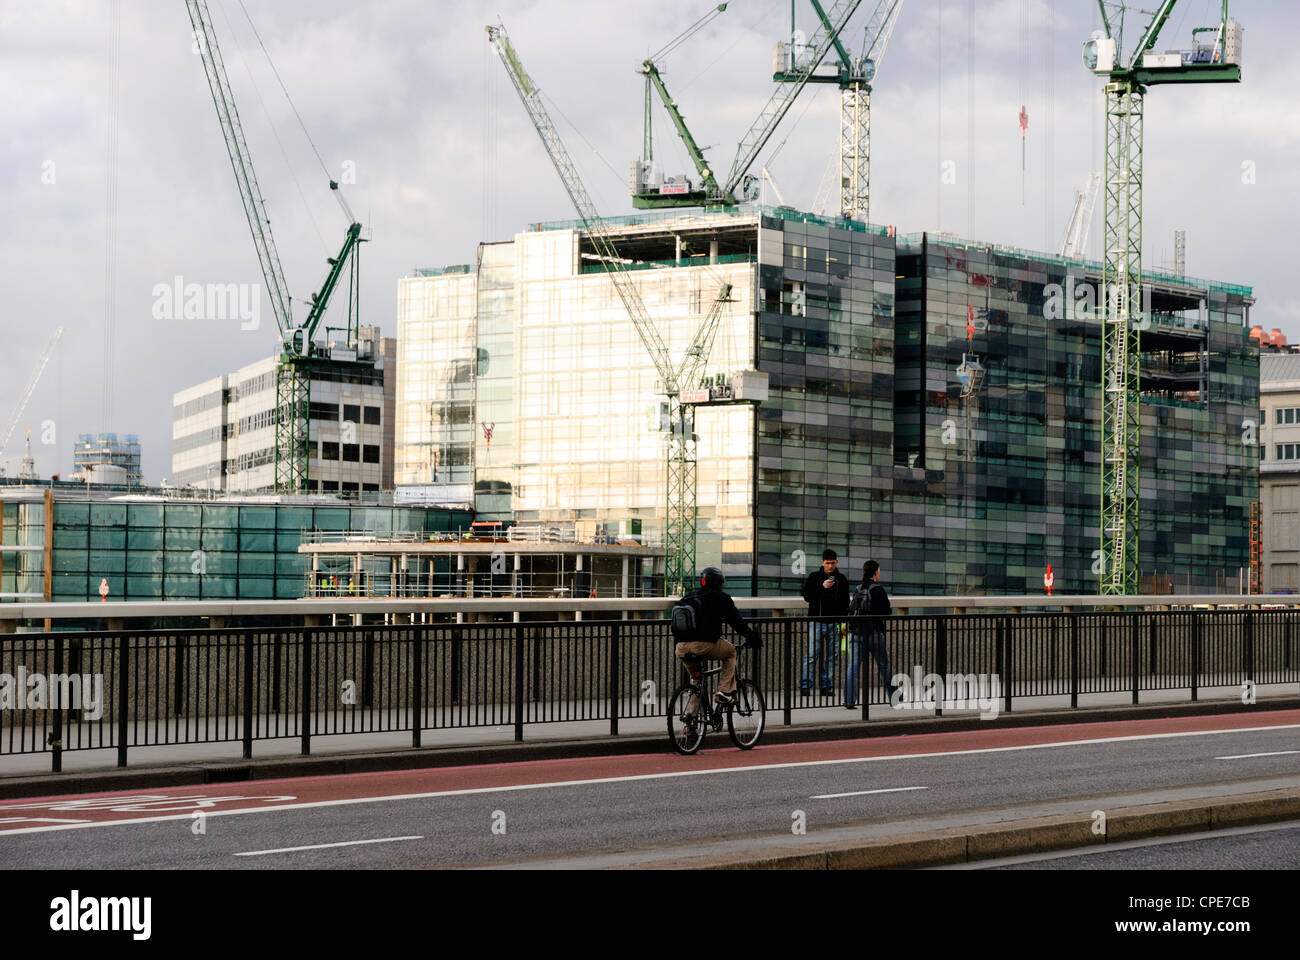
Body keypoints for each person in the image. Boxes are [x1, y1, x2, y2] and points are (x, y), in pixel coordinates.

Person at [674, 567, 759, 707]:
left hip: (681, 647)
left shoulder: (688, 597)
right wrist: (753, 637)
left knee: (696, 681)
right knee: (731, 652)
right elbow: (737, 622)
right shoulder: (721, 598)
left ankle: (690, 722)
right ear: (719, 583)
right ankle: (724, 692)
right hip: (703, 645)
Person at [801, 549, 850, 697]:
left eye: (832, 563)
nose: (830, 566)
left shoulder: (841, 579)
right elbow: (807, 596)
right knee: (811, 655)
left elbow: (845, 602)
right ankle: (806, 685)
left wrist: (843, 623)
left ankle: (826, 685)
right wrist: (822, 587)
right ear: (822, 562)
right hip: (816, 621)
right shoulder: (814, 577)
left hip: (835, 623)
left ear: (836, 562)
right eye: (827, 563)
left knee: (833, 656)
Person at [845, 560, 894, 709]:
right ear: (875, 573)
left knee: (853, 665)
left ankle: (849, 699)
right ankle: (893, 697)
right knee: (883, 665)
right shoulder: (878, 590)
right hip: (874, 632)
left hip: (855, 633)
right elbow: (887, 611)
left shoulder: (857, 589)